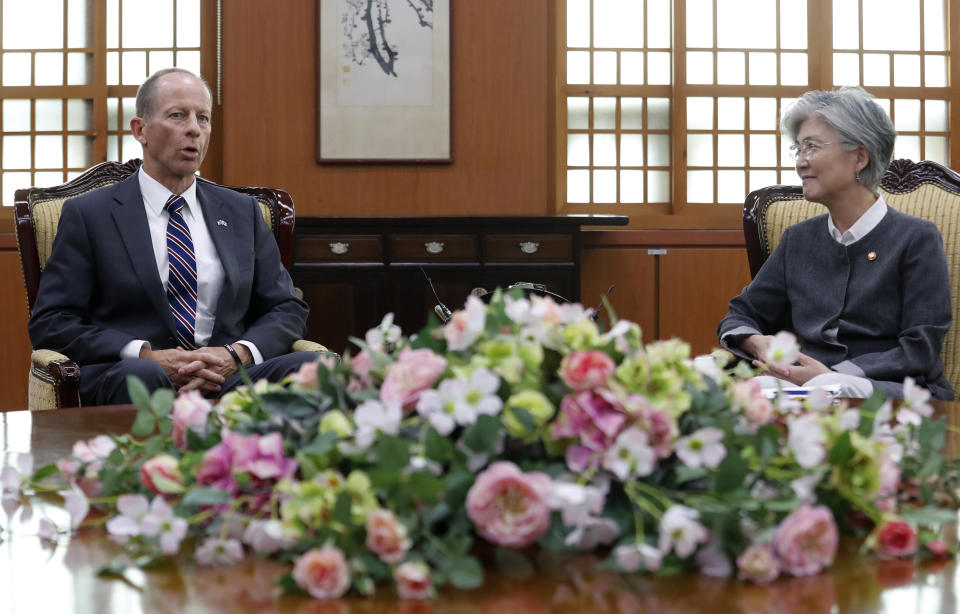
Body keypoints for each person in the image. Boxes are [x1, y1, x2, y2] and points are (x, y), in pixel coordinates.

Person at [29, 67, 321, 405]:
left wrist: (236, 355)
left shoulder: (241, 212)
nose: (194, 130)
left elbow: (286, 307)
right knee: (145, 376)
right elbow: (52, 321)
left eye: (203, 118)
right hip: (135, 373)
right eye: (178, 116)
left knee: (315, 367)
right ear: (140, 130)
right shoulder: (90, 214)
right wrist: (144, 354)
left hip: (225, 375)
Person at [717, 87, 953, 400]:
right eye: (798, 150)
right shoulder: (798, 239)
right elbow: (741, 314)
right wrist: (755, 342)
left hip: (891, 390)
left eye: (812, 147)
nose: (801, 162)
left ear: (859, 157)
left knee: (826, 389)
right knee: (734, 390)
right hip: (802, 387)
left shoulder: (916, 238)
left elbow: (919, 347)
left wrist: (837, 375)